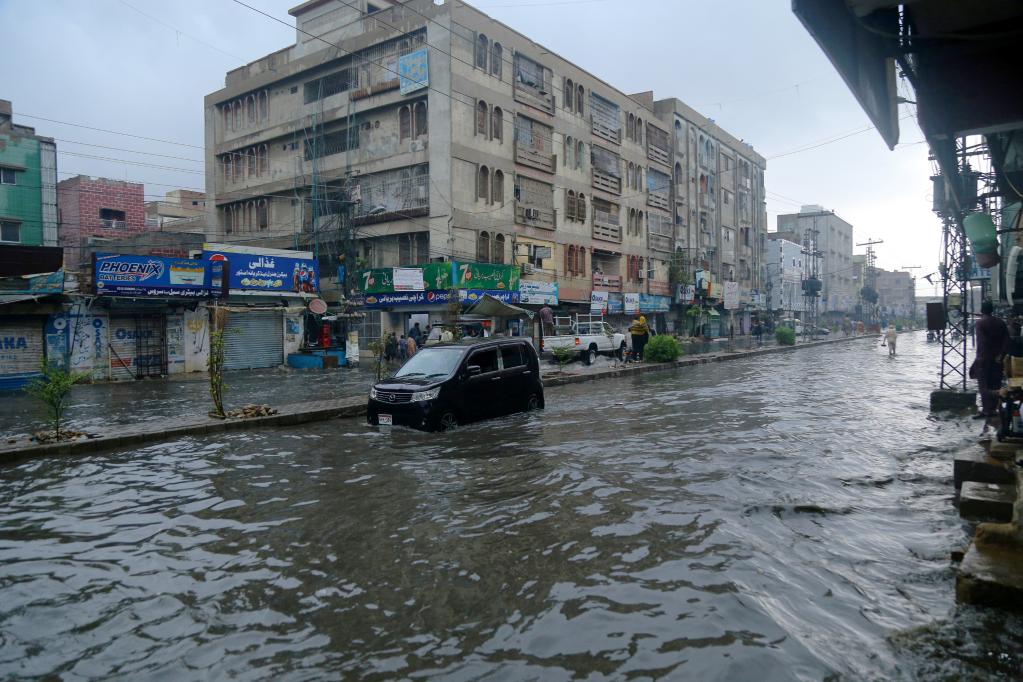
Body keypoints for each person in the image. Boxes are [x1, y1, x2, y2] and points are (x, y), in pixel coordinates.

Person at [974, 299, 1011, 420]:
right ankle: (993, 409)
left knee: (983, 386)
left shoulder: (980, 323)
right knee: (995, 382)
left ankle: (986, 410)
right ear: (992, 310)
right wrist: (1000, 355)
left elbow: (981, 343)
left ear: (982, 310)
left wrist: (979, 360)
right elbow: (1007, 341)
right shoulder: (1001, 322)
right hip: (997, 360)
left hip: (984, 359)